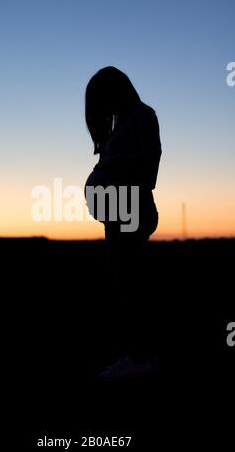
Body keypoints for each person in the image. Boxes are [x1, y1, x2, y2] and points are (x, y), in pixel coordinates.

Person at [84, 66, 162, 378]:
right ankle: (140, 356)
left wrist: (111, 167)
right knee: (127, 285)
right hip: (118, 212)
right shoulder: (123, 122)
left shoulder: (142, 115)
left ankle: (141, 360)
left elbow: (148, 166)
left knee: (133, 287)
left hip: (130, 211)